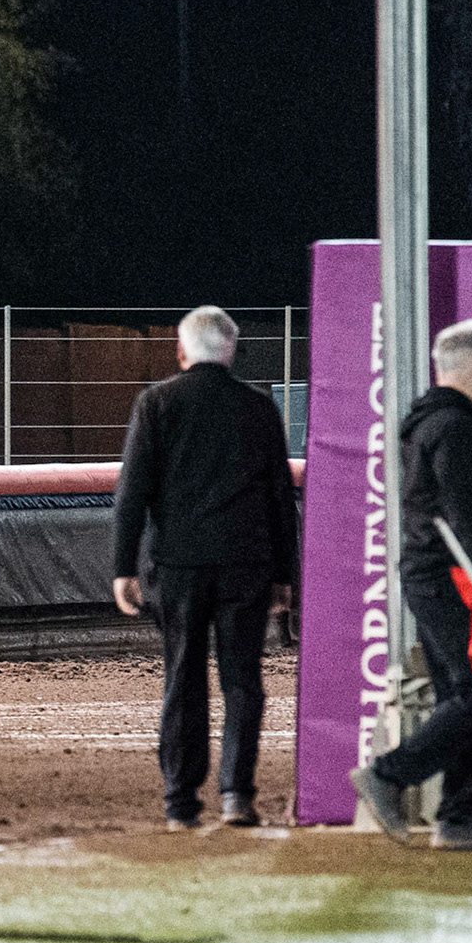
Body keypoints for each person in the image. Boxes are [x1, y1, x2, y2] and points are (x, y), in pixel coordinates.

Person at [112, 305, 298, 831]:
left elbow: (133, 492)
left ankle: (181, 802)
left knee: (183, 678)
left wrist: (123, 566)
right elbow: (281, 501)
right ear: (231, 350)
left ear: (181, 350)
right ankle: (237, 794)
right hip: (246, 565)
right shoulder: (259, 408)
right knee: (243, 680)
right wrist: (286, 576)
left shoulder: (156, 403)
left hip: (177, 567)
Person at [351, 320, 472, 852]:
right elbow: (469, 515)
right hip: (449, 576)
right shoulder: (456, 427)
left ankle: (460, 814)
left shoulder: (433, 422)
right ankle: (390, 775)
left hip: (435, 574)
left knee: (460, 691)